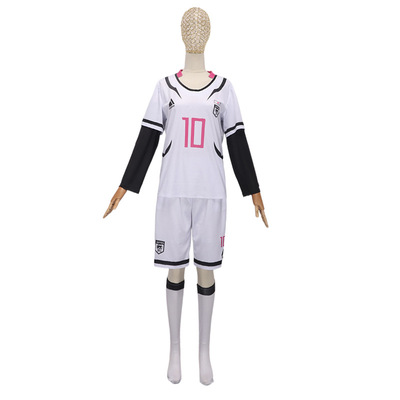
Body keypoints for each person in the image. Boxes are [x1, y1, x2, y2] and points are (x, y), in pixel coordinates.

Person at [103, 7, 268, 385]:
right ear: (181, 33)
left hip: (211, 193)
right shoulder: (165, 87)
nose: (195, 30)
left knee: (206, 270)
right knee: (174, 267)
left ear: (209, 33)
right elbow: (147, 139)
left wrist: (254, 190)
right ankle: (174, 350)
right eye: (189, 25)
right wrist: (125, 185)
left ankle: (204, 352)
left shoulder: (224, 88)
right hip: (173, 192)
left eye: (202, 25)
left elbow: (238, 142)